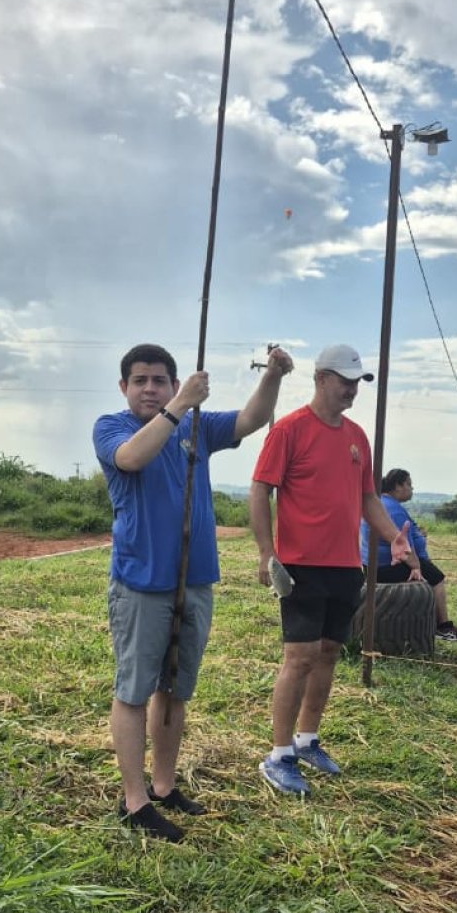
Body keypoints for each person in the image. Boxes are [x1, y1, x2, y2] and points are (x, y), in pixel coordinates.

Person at [93, 342, 293, 840]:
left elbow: (249, 420)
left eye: (159, 380)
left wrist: (272, 376)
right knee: (134, 690)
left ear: (171, 380)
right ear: (124, 387)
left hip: (196, 578)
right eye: (140, 380)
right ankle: (134, 802)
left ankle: (163, 786)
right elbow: (133, 459)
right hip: (142, 583)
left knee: (175, 689)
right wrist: (179, 404)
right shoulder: (112, 427)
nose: (149, 388)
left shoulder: (197, 428)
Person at [250, 344, 421, 796]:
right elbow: (260, 490)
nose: (351, 390)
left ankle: (308, 740)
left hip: (346, 565)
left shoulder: (357, 437)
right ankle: (279, 754)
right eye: (344, 380)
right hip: (301, 566)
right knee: (299, 657)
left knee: (328, 652)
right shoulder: (288, 430)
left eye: (357, 382)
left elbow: (367, 499)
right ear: (321, 378)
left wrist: (393, 537)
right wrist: (267, 551)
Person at [360, 468, 457, 641]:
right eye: (409, 484)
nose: (412, 488)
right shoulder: (394, 510)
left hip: (370, 565)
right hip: (389, 566)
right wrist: (417, 566)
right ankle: (444, 627)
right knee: (437, 578)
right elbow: (405, 547)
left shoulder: (379, 504)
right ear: (397, 486)